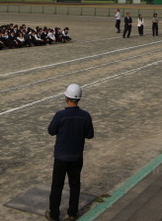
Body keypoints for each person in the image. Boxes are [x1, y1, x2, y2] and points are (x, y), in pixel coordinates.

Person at [46, 84, 94, 221]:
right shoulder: (85, 116)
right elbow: (90, 135)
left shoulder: (60, 115)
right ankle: (72, 213)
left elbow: (51, 131)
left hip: (61, 156)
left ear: (66, 97)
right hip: (77, 156)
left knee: (57, 185)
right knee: (75, 184)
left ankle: (54, 214)